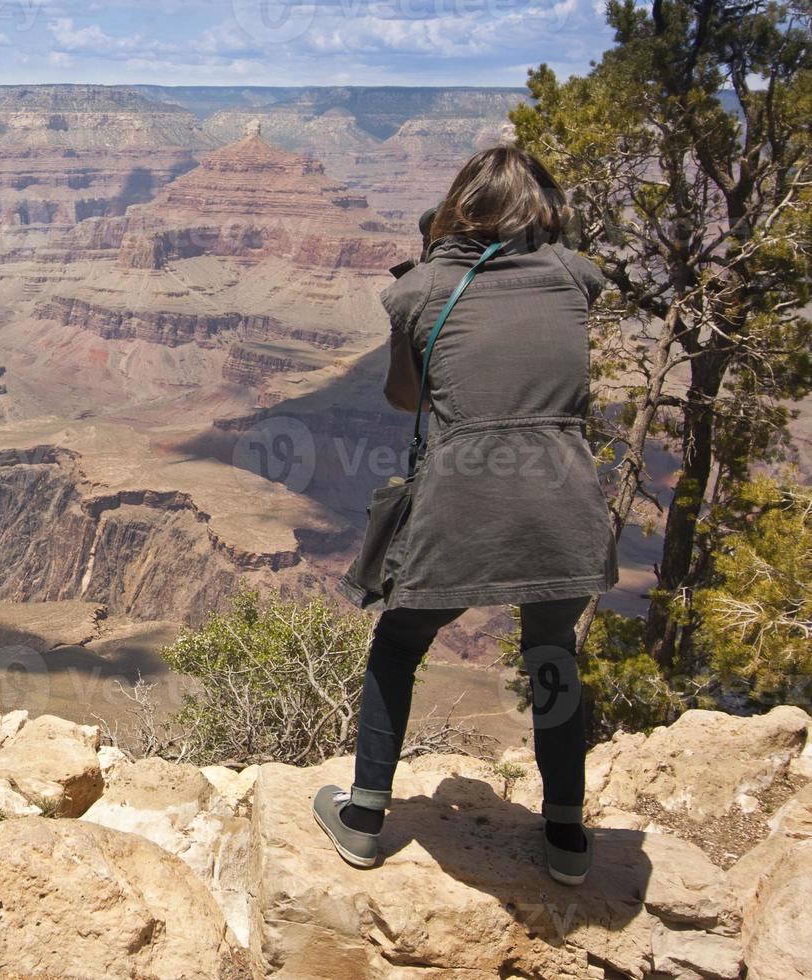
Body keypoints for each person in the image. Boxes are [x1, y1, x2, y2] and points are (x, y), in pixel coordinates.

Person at [316, 146, 618, 886]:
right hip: (564, 498)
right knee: (552, 655)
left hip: (463, 499)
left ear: (456, 208)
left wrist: (422, 277)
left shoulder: (421, 289)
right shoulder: (574, 275)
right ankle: (567, 837)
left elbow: (402, 397)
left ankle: (362, 818)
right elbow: (559, 271)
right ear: (541, 212)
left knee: (398, 644)